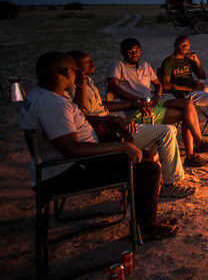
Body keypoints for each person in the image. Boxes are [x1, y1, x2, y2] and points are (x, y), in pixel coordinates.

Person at [20, 51, 179, 241]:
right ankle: (146, 229)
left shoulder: (40, 95)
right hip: (63, 172)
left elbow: (73, 121)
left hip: (62, 166)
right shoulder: (53, 104)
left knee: (143, 155)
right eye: (75, 71)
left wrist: (111, 121)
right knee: (149, 170)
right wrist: (118, 147)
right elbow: (72, 149)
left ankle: (142, 216)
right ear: (65, 73)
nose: (79, 74)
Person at [66, 51, 195, 198]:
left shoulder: (88, 81)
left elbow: (101, 106)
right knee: (166, 131)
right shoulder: (72, 87)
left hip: (112, 125)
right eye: (87, 61)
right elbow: (81, 116)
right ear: (75, 68)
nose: (92, 62)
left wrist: (133, 103)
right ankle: (168, 184)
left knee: (170, 130)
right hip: (102, 133)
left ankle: (147, 172)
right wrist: (114, 119)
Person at [107, 38, 208, 168]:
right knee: (186, 115)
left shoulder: (145, 66)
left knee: (188, 104)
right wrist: (135, 100)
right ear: (123, 52)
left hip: (153, 103)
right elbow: (113, 86)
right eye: (130, 51)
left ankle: (198, 144)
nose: (134, 54)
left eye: (137, 50)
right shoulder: (118, 65)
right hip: (138, 110)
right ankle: (191, 154)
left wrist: (156, 96)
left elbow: (158, 84)